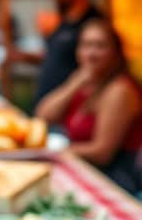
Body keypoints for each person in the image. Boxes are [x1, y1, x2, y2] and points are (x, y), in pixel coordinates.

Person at [36, 17, 142, 193]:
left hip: (115, 179)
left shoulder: (120, 90)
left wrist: (55, 153)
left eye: (100, 46)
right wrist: (74, 84)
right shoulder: (85, 82)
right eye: (86, 45)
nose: (91, 53)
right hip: (85, 170)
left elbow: (102, 153)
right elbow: (43, 115)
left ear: (116, 53)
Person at [34, 0, 101, 104]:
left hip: (69, 105)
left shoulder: (93, 22)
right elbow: (51, 56)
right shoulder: (63, 21)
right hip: (48, 100)